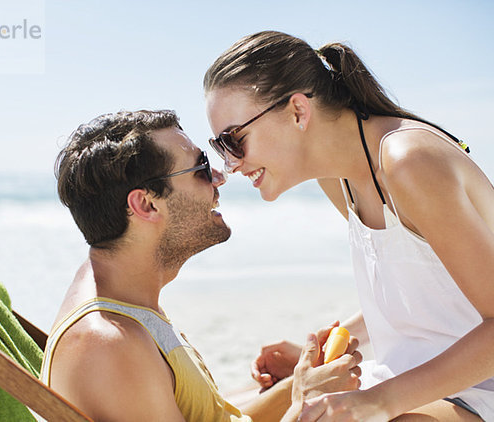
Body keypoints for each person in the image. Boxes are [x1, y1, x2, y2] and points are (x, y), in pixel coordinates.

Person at [204, 30, 494, 421]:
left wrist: (378, 403)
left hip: (478, 388)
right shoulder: (336, 174)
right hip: (412, 380)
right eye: (219, 147)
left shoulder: (409, 162)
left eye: (234, 140)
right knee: (236, 403)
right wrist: (332, 346)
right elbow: (417, 290)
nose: (231, 164)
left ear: (297, 111)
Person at [39, 110, 362, 422]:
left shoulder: (124, 301)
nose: (221, 178)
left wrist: (303, 384)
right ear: (147, 204)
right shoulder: (110, 344)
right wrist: (305, 404)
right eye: (202, 169)